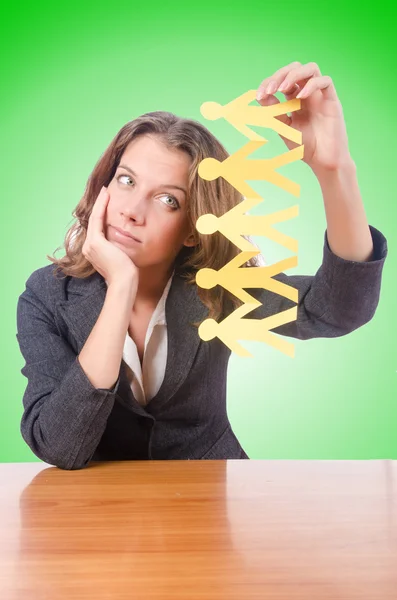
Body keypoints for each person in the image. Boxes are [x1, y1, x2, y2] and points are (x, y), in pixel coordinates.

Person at [16, 63, 388, 470]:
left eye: (168, 200)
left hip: (211, 498)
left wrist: (335, 170)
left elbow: (335, 309)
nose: (133, 212)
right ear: (104, 186)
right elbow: (58, 445)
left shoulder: (217, 285)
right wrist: (120, 287)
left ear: (192, 229)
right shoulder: (48, 296)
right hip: (96, 512)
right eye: (126, 181)